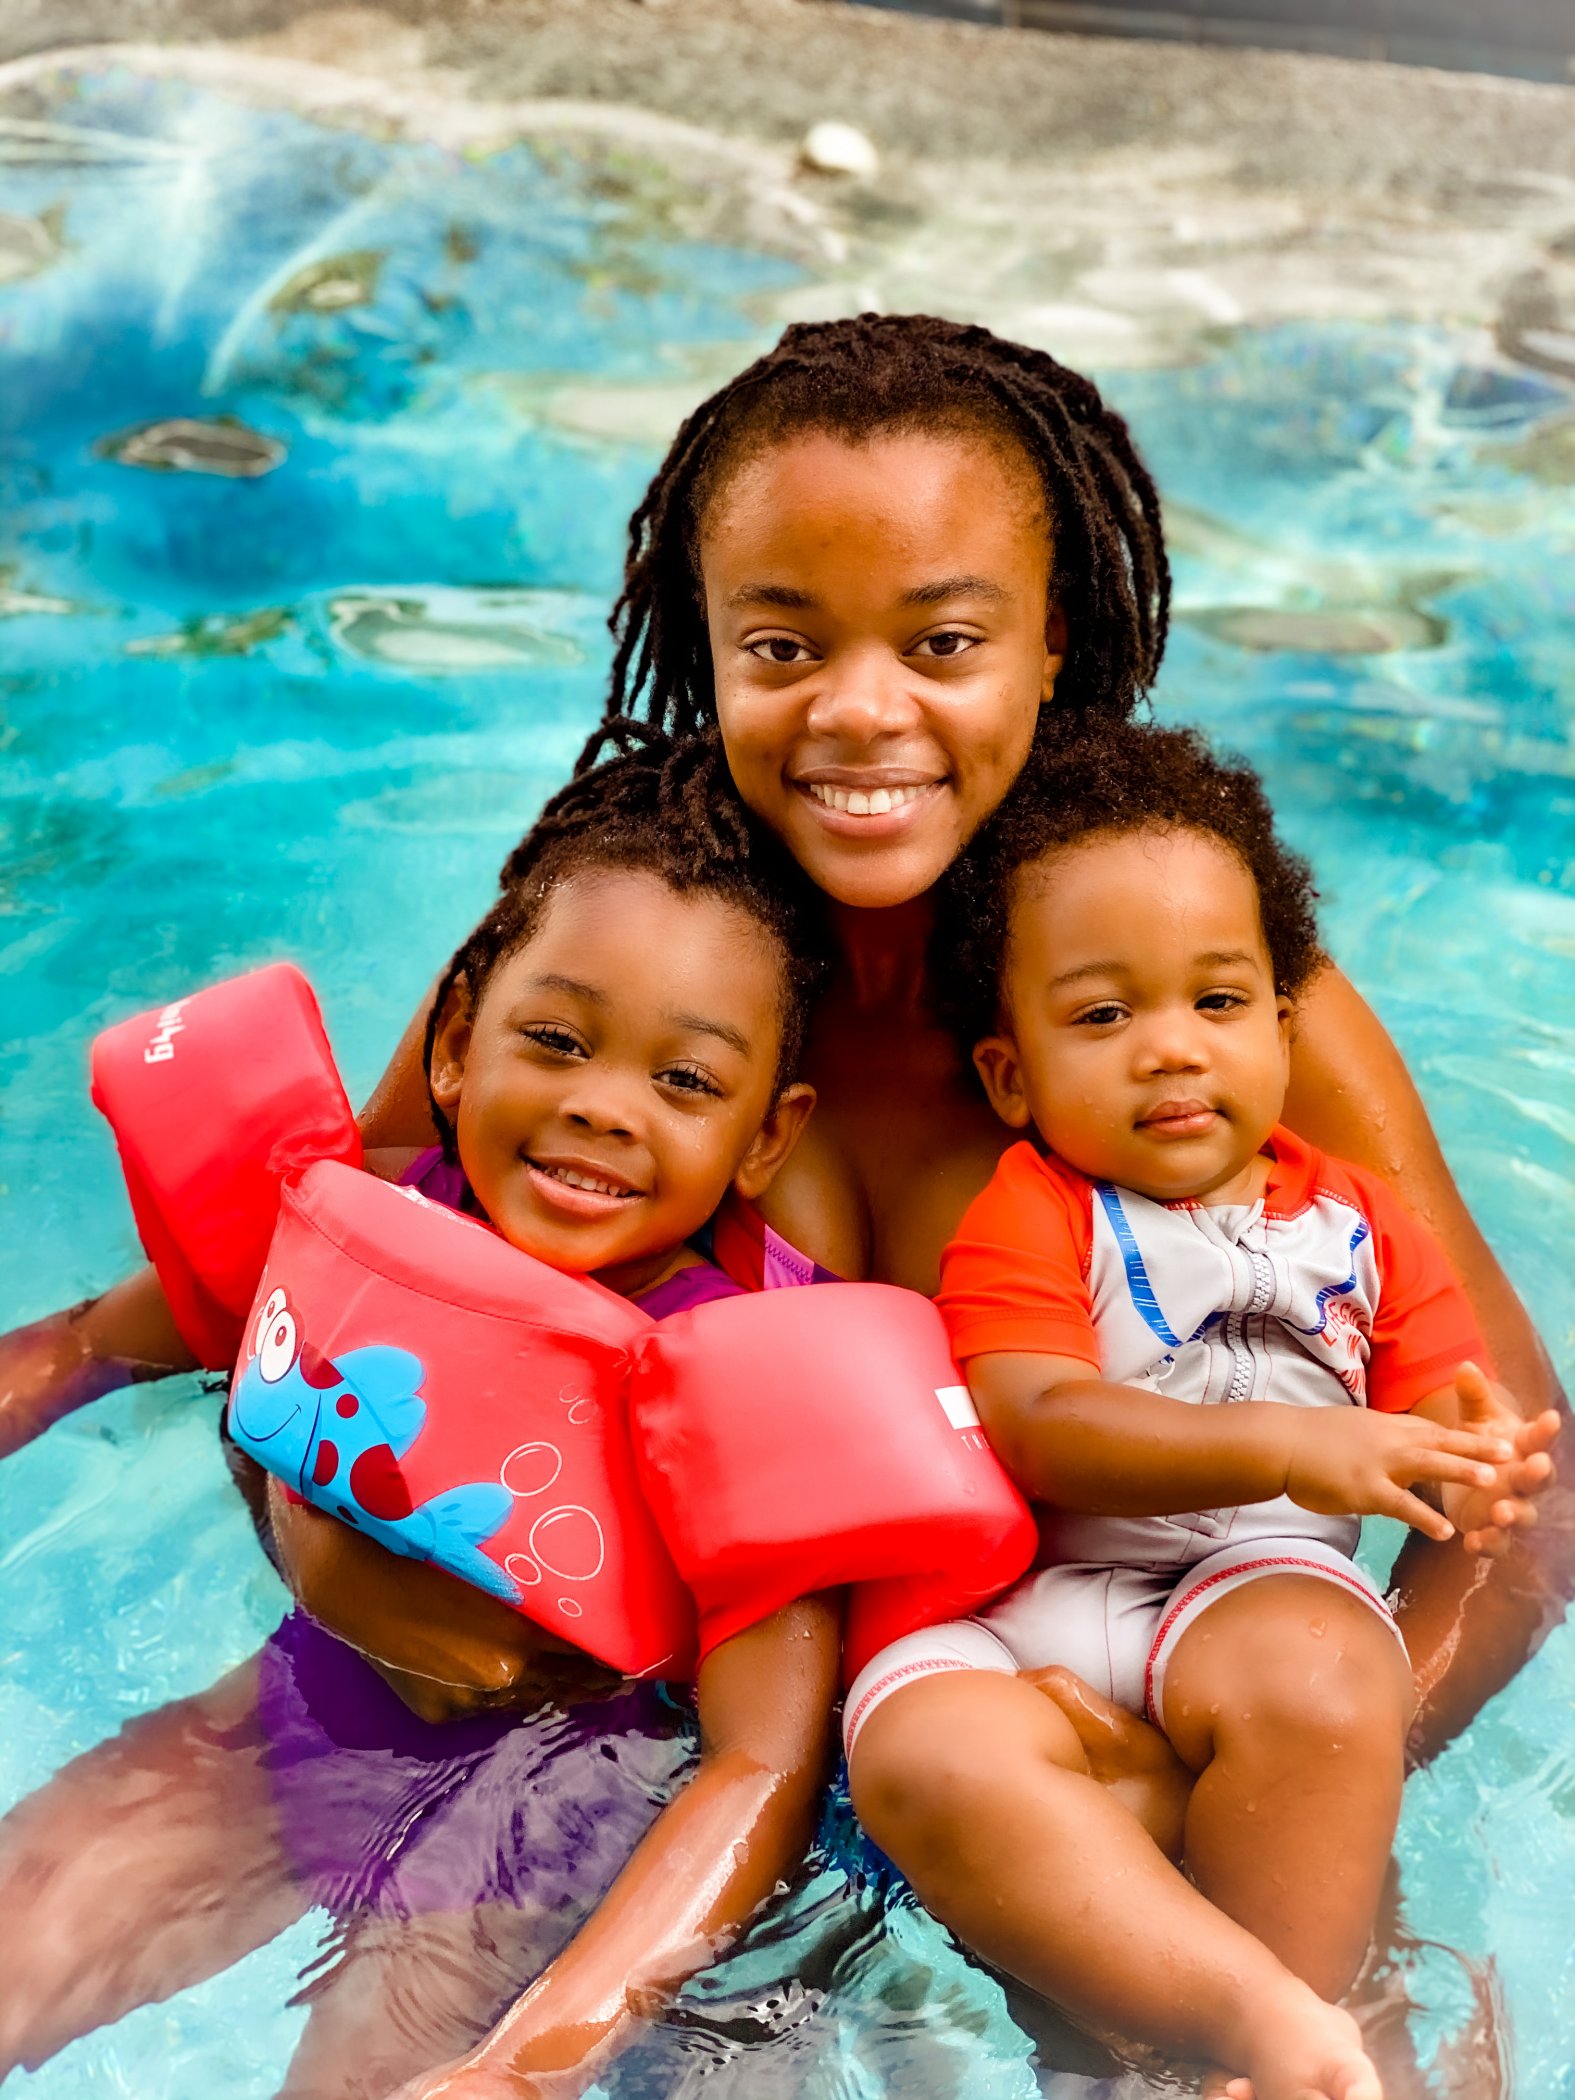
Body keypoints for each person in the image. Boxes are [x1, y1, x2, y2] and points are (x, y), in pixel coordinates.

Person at [2, 313, 1566, 2095]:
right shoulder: (621, 956)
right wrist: (323, 1548)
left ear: (1055, 643)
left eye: (945, 641)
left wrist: (1282, 1765)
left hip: (1075, 1790)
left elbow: (1522, 1495)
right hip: (545, 1725)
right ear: (708, 644)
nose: (861, 711)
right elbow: (326, 1297)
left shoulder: (1211, 1013)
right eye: (783, 644)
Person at [0, 737, 845, 2098]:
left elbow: (762, 1762)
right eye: (555, 1041)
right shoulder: (382, 1231)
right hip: (294, 1726)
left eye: (684, 1081)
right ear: (456, 1047)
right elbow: (83, 1346)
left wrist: (534, 2060)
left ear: (764, 1138)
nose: (600, 1106)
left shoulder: (747, 1381)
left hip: (538, 1834)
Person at [842, 717, 1560, 2099]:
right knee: (917, 1750)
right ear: (1010, 1076)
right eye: (1104, 1018)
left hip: (1256, 1590)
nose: (1170, 1051)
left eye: (1217, 1005)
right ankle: (1255, 2014)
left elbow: (1449, 1411)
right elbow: (1041, 1421)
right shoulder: (1031, 1212)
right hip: (1042, 1610)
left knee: (1327, 1681)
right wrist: (1295, 1444)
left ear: (1283, 1031)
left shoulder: (1364, 1225)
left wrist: (1475, 1464)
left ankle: (1275, 2047)